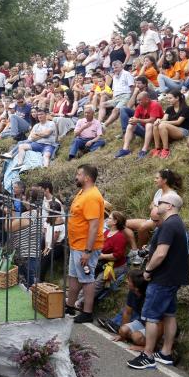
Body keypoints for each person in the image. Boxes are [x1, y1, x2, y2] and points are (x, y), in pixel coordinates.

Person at [128, 192, 189, 370]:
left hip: (162, 277)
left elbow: (161, 253)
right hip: (173, 277)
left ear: (169, 206)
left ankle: (147, 355)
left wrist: (148, 270)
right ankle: (166, 352)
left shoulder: (168, 225)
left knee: (151, 316)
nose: (157, 203)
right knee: (169, 314)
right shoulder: (177, 223)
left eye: (161, 202)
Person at [65, 164, 105, 324]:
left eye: (79, 174)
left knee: (87, 279)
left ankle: (87, 312)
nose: (76, 177)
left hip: (85, 247)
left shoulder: (92, 197)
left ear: (87, 178)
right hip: (76, 245)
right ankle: (70, 306)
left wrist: (88, 251)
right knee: (74, 277)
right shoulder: (83, 192)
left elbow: (94, 226)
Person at [127, 169, 183, 248]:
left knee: (143, 227)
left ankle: (140, 250)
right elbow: (151, 205)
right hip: (152, 220)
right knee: (123, 223)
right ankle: (134, 249)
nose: (154, 180)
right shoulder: (159, 191)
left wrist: (155, 207)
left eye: (157, 178)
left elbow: (166, 213)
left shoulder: (172, 195)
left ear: (165, 180)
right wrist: (156, 207)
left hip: (161, 222)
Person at [114, 91, 163, 159]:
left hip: (156, 132)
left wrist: (138, 120)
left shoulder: (154, 105)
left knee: (149, 125)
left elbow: (152, 120)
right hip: (145, 130)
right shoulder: (140, 106)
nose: (138, 102)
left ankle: (144, 150)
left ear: (147, 99)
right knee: (131, 125)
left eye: (140, 100)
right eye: (137, 100)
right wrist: (132, 120)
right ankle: (125, 149)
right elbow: (135, 118)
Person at [112, 269, 150, 350]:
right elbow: (127, 312)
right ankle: (138, 338)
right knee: (123, 330)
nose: (126, 282)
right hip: (142, 322)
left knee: (136, 337)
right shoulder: (132, 292)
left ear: (136, 287)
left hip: (154, 326)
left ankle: (150, 348)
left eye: (129, 281)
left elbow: (160, 323)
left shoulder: (149, 297)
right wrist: (122, 336)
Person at [151, 90, 189, 158]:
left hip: (182, 131)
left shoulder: (185, 108)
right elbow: (164, 119)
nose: (168, 100)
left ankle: (166, 149)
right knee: (156, 124)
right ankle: (157, 148)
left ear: (177, 98)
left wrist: (164, 122)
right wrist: (159, 120)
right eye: (167, 98)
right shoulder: (169, 109)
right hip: (171, 130)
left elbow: (178, 122)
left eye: (170, 98)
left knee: (162, 125)